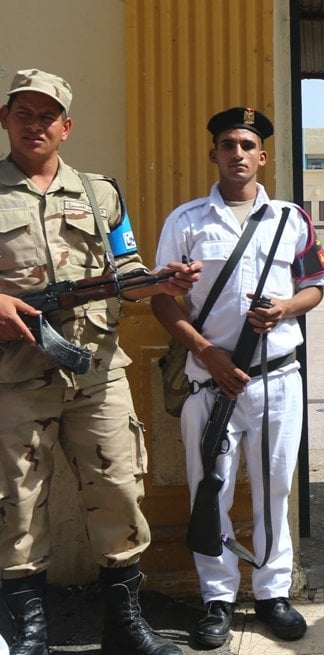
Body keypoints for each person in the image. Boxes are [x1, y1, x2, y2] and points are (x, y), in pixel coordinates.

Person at [0, 69, 201, 655]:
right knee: (17, 501)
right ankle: (30, 636)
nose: (35, 124)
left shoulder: (100, 194)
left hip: (96, 369)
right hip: (14, 379)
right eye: (24, 113)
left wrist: (162, 282)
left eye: (47, 115)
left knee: (119, 491)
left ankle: (126, 628)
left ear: (67, 127)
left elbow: (127, 272)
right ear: (5, 118)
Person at [151, 107, 324, 648]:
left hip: (276, 377)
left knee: (275, 487)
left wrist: (286, 308)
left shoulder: (291, 219)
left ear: (262, 156)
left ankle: (273, 594)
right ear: (214, 154)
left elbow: (316, 284)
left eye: (247, 145)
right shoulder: (185, 221)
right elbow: (161, 297)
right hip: (210, 380)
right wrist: (206, 352)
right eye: (228, 145)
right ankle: (218, 598)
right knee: (212, 491)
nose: (237, 154)